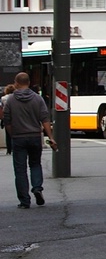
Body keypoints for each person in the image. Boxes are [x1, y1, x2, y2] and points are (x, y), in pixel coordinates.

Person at [3, 72, 56, 209]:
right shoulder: (37, 99)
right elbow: (45, 119)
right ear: (29, 82)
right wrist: (50, 137)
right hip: (34, 137)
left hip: (18, 137)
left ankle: (24, 201)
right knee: (35, 164)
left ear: (16, 83)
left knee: (20, 170)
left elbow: (7, 121)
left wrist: (12, 134)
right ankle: (37, 188)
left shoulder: (10, 100)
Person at [1, 83, 14, 154]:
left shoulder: (3, 98)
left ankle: (9, 150)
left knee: (8, 134)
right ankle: (14, 147)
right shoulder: (15, 97)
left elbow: (2, 108)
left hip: (6, 116)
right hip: (15, 117)